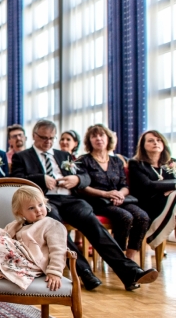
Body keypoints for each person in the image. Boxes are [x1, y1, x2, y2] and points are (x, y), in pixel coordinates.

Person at [10, 119, 158, 291]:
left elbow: (86, 178)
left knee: (93, 224)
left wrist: (77, 179)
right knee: (56, 227)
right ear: (34, 136)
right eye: (43, 138)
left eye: (51, 138)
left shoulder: (64, 156)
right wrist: (40, 179)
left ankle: (130, 271)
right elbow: (18, 180)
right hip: (44, 201)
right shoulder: (22, 157)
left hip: (70, 200)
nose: (48, 142)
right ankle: (84, 271)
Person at [77, 124, 149, 261]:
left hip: (119, 199)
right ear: (89, 140)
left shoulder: (117, 161)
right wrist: (106, 194)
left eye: (101, 135)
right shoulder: (83, 160)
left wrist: (120, 194)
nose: (98, 138)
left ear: (108, 138)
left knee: (142, 217)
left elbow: (125, 185)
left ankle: (130, 258)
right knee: (125, 217)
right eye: (94, 136)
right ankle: (118, 257)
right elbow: (82, 187)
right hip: (97, 201)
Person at [128, 130, 176, 249]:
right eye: (151, 140)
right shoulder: (136, 164)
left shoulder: (171, 163)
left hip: (169, 203)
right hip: (147, 204)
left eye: (159, 140)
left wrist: (167, 189)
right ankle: (155, 234)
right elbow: (148, 186)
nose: (156, 143)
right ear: (143, 145)